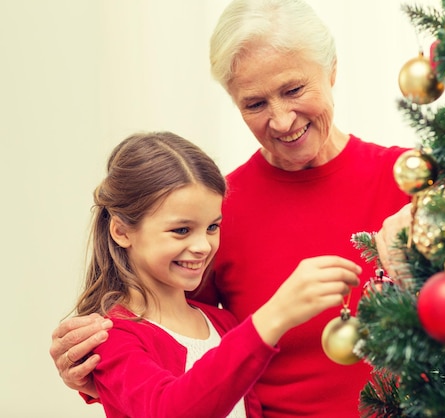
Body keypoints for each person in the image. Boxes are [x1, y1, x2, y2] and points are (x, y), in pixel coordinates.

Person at [50, 1, 412, 416]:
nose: (280, 120)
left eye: (294, 90)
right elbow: (178, 341)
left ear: (331, 70)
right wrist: (91, 369)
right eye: (254, 104)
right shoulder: (215, 212)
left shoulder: (414, 182)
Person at [70, 131, 361, 418]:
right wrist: (274, 316)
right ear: (122, 232)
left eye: (212, 227)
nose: (202, 246)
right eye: (181, 230)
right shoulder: (111, 337)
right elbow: (169, 410)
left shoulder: (223, 323)